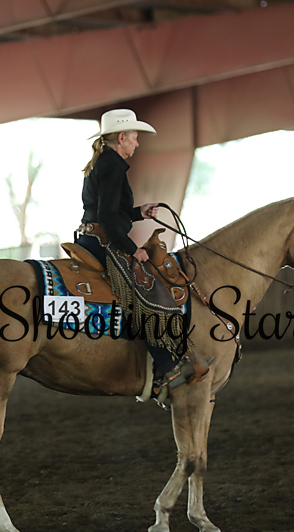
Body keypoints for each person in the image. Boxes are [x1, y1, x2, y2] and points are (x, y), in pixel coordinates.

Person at [74, 108, 210, 389]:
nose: (137, 144)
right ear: (121, 137)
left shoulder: (104, 161)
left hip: (92, 237)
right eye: (134, 138)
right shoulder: (112, 165)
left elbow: (107, 212)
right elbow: (107, 219)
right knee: (145, 288)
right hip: (102, 241)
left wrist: (139, 212)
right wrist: (132, 248)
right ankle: (167, 366)